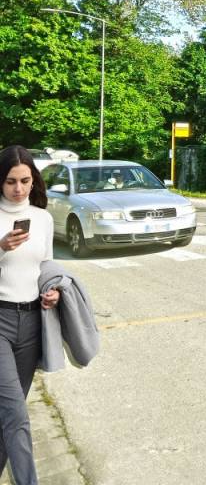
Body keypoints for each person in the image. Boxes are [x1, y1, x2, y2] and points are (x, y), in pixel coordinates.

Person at [0, 145, 60, 485]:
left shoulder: (43, 219)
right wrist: (1, 247)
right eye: (10, 181)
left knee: (8, 418)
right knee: (16, 416)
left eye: (25, 181)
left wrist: (53, 291)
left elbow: (46, 266)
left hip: (32, 322)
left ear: (34, 180)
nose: (19, 189)